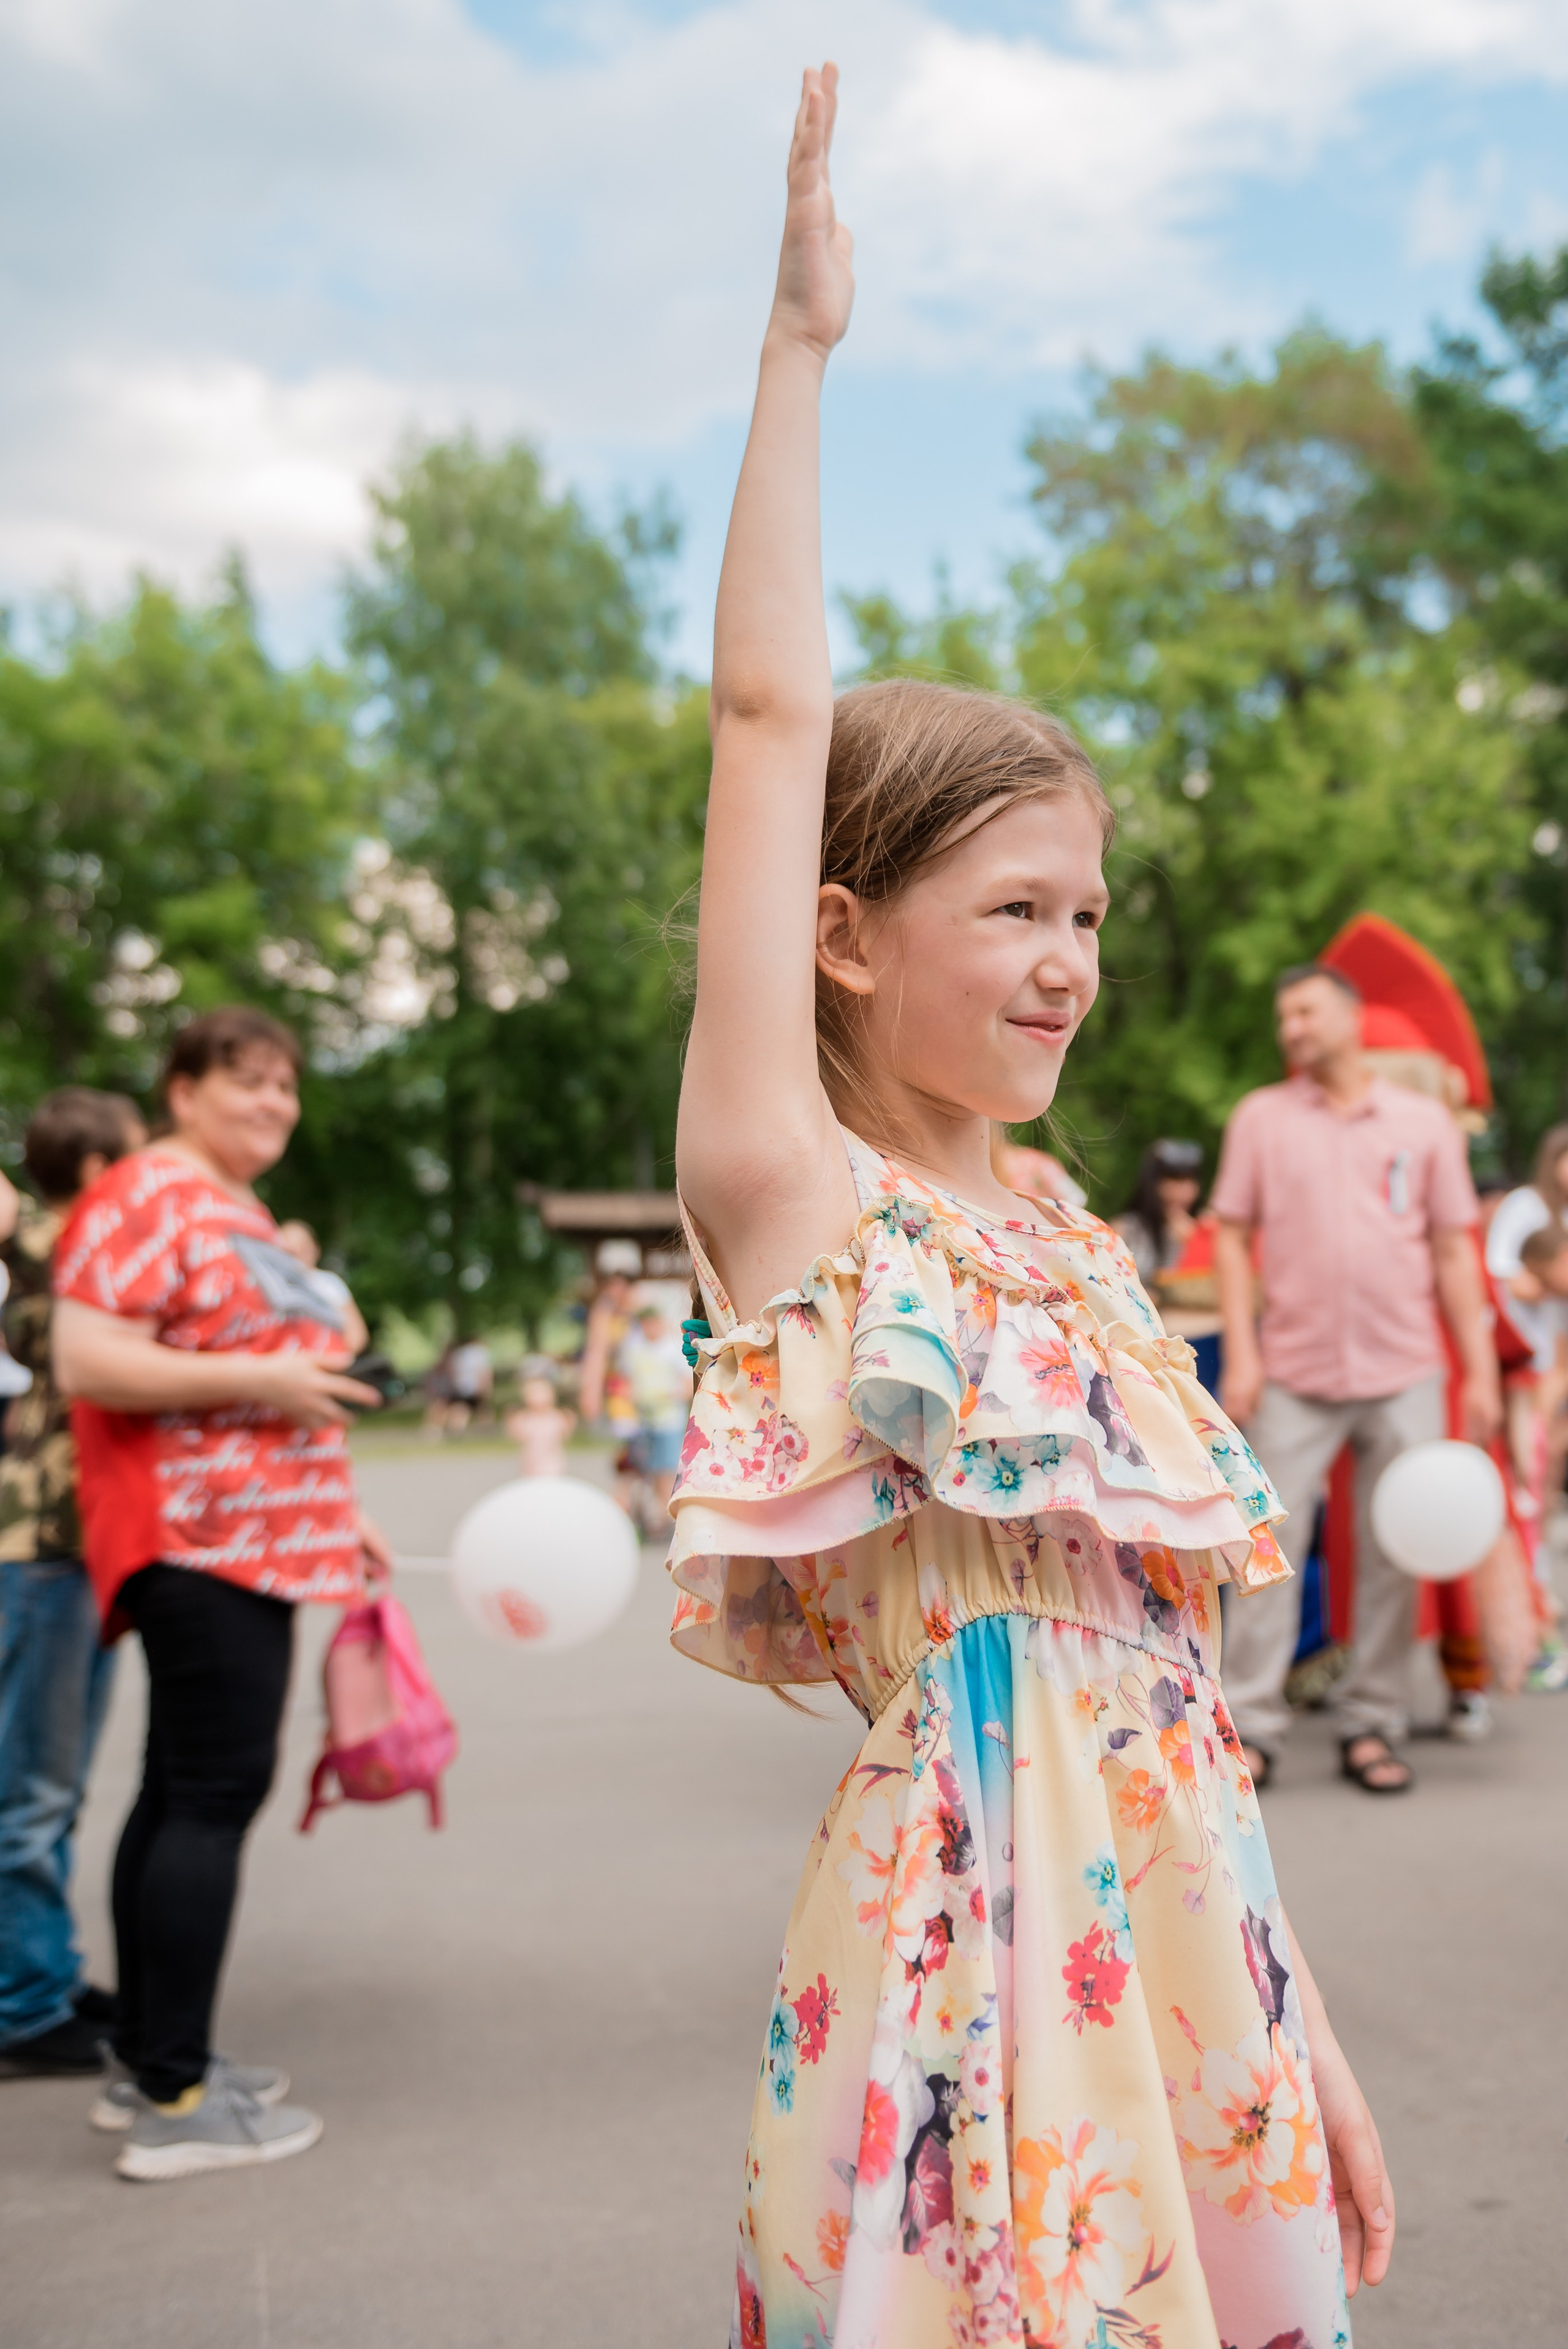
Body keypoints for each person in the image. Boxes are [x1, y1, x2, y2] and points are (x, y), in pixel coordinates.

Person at [669, 69, 1388, 2348]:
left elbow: (1172, 1678)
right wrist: (797, 352)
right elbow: (771, 716)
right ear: (845, 930)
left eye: (1088, 908)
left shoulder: (1077, 1234)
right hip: (963, 1936)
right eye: (1012, 906)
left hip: (1191, 1929)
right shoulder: (798, 1191)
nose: (1070, 956)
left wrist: (1307, 2029)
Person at [50, 1007, 390, 2182]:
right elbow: (86, 1355)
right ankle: (177, 2096)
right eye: (246, 1082)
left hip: (253, 1533)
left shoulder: (228, 1209)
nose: (273, 1105)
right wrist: (270, 1375)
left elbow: (272, 1386)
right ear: (181, 1087)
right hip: (198, 1535)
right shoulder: (146, 1192)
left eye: (287, 1087)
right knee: (210, 1792)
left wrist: (335, 1506)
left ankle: (151, 2054)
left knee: (174, 1792)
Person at [1212, 963, 1500, 1795]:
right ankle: (1255, 1726)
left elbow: (1454, 1247)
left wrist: (1475, 1369)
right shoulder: (1262, 1118)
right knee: (1272, 1547)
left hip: (1406, 1362)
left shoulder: (1423, 1123)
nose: (1290, 1028)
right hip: (1295, 1366)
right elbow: (1230, 1236)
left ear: (1350, 1014)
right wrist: (1246, 1350)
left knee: (1392, 1550)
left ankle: (1373, 1723)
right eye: (1282, 1017)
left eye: (1303, 1010)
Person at [0, 1088, 144, 2080]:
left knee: (54, 1778)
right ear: (98, 1170)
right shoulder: (63, 1243)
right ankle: (25, 2002)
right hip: (43, 1543)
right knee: (35, 1786)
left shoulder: (60, 1243)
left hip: (67, 1543)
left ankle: (43, 1970)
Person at [616, 1298, 692, 1522]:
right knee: (641, 1470)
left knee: (666, 1470)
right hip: (642, 1420)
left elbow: (686, 1385)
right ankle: (651, 1515)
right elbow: (626, 1380)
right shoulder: (635, 1350)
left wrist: (663, 1395)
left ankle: (666, 1515)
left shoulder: (671, 1349)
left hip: (668, 1420)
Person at [507, 1371, 576, 1480]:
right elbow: (518, 1436)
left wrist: (570, 1423)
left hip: (552, 1463)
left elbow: (564, 1436)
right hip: (530, 1463)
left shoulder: (555, 1417)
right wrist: (512, 1423)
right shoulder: (526, 1418)